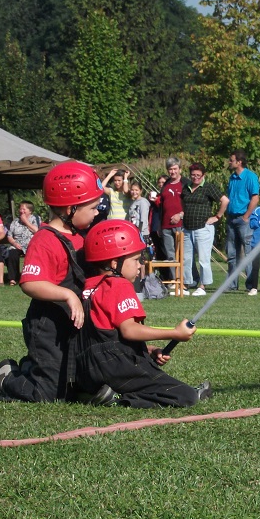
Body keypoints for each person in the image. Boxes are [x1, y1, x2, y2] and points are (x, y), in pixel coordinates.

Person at [0, 161, 105, 402]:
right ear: (71, 207)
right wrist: (67, 295)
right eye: (93, 207)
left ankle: (32, 367)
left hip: (75, 325)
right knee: (47, 394)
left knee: (75, 384)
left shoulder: (81, 237)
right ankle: (5, 378)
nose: (97, 212)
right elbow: (30, 283)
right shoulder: (44, 240)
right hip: (48, 327)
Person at [74, 220, 212, 408]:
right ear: (115, 262)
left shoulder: (90, 286)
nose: (140, 265)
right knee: (186, 396)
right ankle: (117, 400)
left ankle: (101, 392)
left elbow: (106, 335)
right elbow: (129, 330)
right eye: (135, 259)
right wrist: (174, 333)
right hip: (115, 367)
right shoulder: (119, 284)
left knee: (148, 372)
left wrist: (148, 350)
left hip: (88, 367)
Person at [182, 162, 228, 297]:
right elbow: (183, 204)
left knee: (203, 258)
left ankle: (203, 285)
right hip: (187, 228)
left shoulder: (208, 187)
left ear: (203, 175)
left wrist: (217, 217)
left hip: (203, 228)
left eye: (198, 175)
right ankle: (187, 283)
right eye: (193, 175)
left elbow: (224, 200)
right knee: (186, 258)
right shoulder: (186, 188)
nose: (195, 177)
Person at [225, 150, 260, 291]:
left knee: (247, 252)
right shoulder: (232, 178)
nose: (229, 162)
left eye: (231, 160)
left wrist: (246, 216)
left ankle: (250, 284)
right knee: (232, 253)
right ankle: (232, 284)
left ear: (239, 162)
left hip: (243, 219)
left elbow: (255, 198)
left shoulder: (250, 177)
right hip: (231, 218)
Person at [151, 158, 190, 285]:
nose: (172, 171)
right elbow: (162, 203)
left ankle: (185, 281)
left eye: (175, 169)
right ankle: (175, 281)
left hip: (181, 224)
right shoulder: (166, 184)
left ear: (180, 169)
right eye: (170, 169)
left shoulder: (185, 184)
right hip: (166, 225)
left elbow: (190, 204)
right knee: (170, 255)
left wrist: (180, 215)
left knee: (182, 255)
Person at [4, 201, 41, 286]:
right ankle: (13, 279)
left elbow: (37, 231)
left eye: (24, 209)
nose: (21, 211)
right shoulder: (15, 221)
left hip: (31, 244)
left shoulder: (35, 218)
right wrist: (14, 243)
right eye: (20, 209)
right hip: (18, 244)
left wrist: (26, 222)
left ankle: (29, 277)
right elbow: (9, 235)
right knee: (12, 253)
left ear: (30, 211)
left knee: (34, 254)